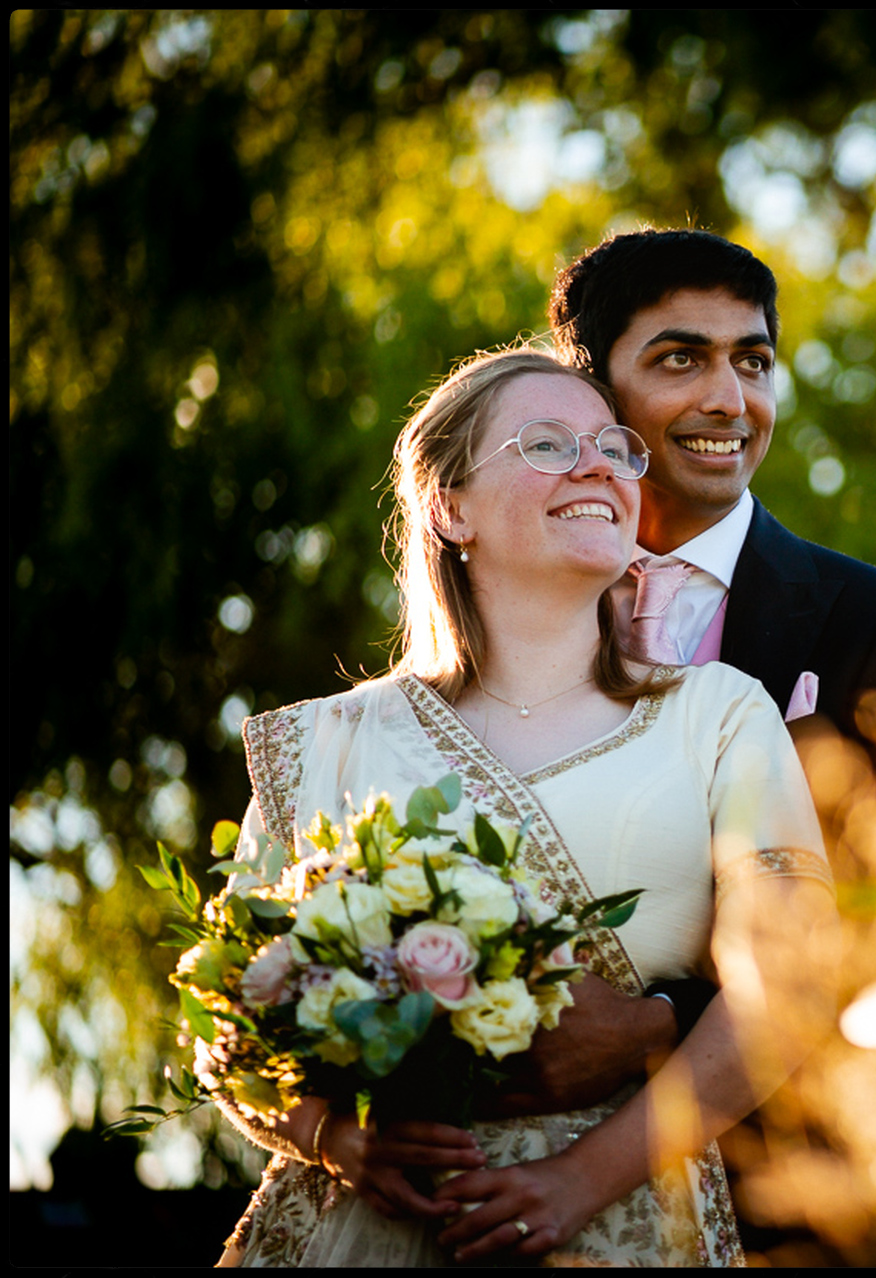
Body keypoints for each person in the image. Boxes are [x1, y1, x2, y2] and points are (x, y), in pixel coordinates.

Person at [212, 349, 837, 1266]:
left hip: (624, 1225)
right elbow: (232, 1021)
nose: (601, 467)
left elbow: (791, 988)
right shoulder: (325, 742)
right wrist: (338, 1141)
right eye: (547, 444)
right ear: (449, 506)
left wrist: (577, 1179)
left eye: (615, 448)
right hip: (363, 1229)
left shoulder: (720, 715)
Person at [547, 228, 876, 756]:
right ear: (591, 387)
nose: (731, 402)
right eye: (681, 359)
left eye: (752, 362)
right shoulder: (521, 602)